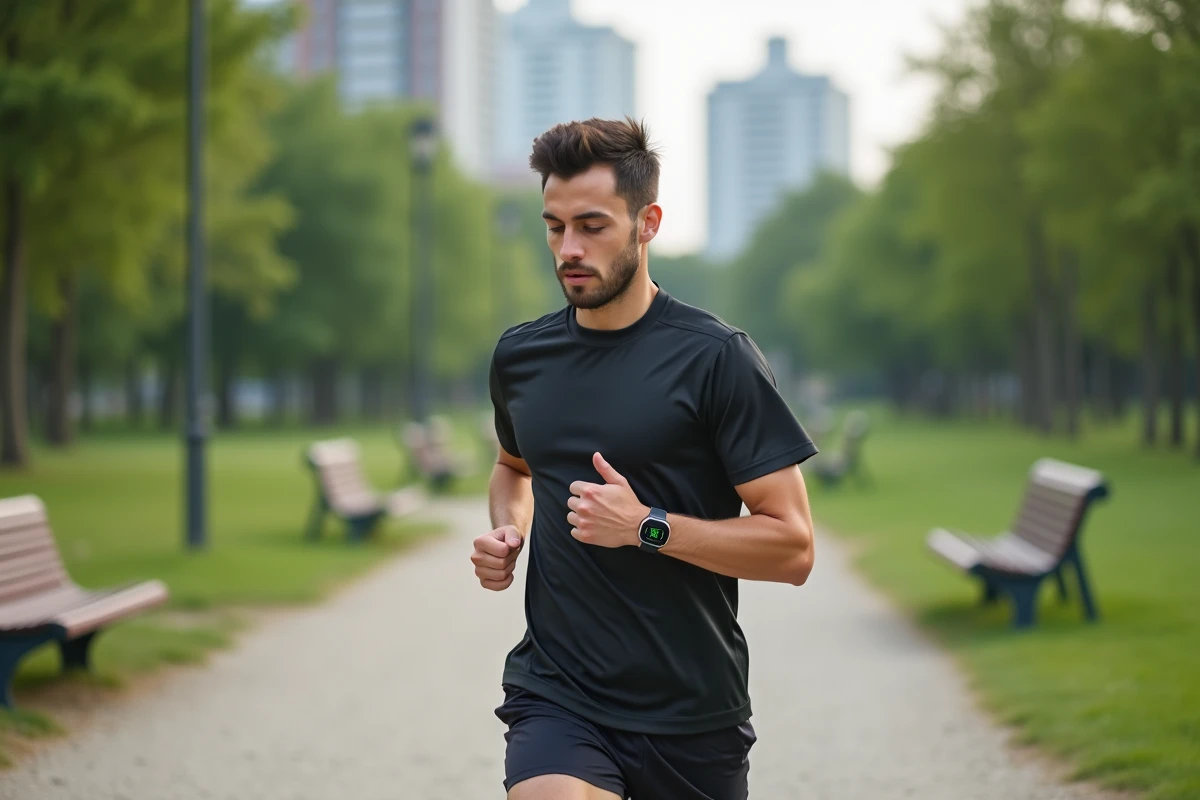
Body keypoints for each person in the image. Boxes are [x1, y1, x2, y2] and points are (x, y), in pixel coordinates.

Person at [473, 117, 818, 800]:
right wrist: (508, 527)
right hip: (557, 690)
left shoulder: (717, 359)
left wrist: (645, 527)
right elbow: (514, 467)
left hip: (692, 709)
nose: (568, 248)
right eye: (554, 226)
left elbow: (793, 548)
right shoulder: (522, 357)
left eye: (593, 226)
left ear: (647, 222)